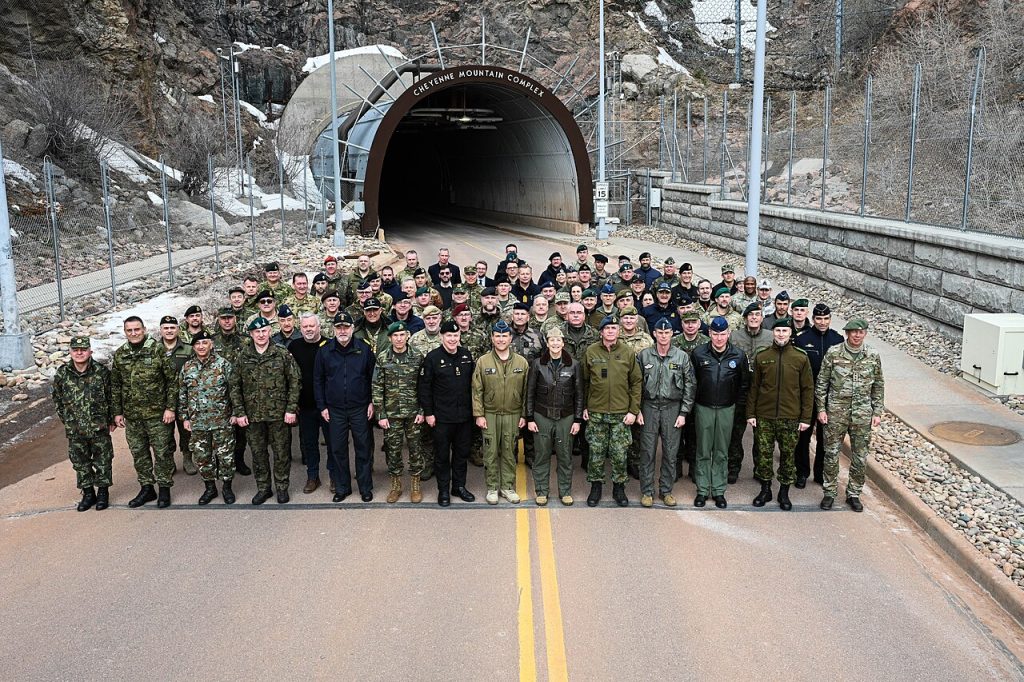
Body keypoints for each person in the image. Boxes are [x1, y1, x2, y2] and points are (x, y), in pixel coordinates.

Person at [816, 319, 885, 512]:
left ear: (865, 334)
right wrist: (821, 409)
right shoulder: (834, 353)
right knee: (831, 454)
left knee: (860, 457)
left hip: (862, 414)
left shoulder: (872, 355)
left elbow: (878, 385)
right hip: (836, 412)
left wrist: (877, 411)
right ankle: (829, 492)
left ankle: (854, 493)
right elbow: (822, 383)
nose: (857, 335)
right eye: (853, 331)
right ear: (847, 333)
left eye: (860, 332)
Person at [747, 319, 814, 511]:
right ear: (773, 333)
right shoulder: (762, 356)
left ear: (790, 333)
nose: (781, 334)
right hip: (765, 416)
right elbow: (754, 388)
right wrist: (751, 413)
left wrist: (805, 418)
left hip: (790, 417)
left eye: (785, 331)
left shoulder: (800, 358)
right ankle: (765, 488)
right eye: (778, 331)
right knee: (764, 455)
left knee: (787, 456)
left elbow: (807, 390)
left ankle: (784, 492)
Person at [233, 317, 302, 505]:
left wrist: (291, 409)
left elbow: (295, 382)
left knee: (281, 453)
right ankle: (263, 488)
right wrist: (239, 412)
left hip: (279, 414)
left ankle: (281, 487)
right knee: (258, 453)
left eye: (264, 331)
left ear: (270, 332)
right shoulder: (243, 356)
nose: (261, 335)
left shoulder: (281, 353)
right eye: (257, 332)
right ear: (251, 334)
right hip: (253, 415)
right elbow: (234, 385)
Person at [111, 316, 177, 508]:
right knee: (139, 453)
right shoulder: (121, 354)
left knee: (162, 453)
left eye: (137, 329)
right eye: (129, 330)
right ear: (125, 332)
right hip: (133, 416)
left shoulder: (158, 350)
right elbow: (116, 385)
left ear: (144, 329)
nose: (133, 333)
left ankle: (164, 489)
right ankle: (147, 488)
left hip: (158, 415)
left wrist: (170, 408)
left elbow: (172, 381)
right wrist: (117, 412)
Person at [314, 312, 377, 503]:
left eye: (346, 327)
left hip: (360, 407)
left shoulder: (363, 349)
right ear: (334, 329)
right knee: (338, 449)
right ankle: (342, 488)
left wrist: (372, 402)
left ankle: (365, 488)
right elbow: (318, 380)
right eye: (339, 327)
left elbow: (373, 377)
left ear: (352, 329)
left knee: (363, 448)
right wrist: (322, 406)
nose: (342, 331)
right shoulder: (324, 350)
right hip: (335, 409)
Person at [581, 316, 642, 507]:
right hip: (596, 412)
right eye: (607, 328)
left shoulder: (627, 352)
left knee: (619, 453)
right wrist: (584, 406)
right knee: (596, 452)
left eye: (614, 328)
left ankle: (619, 488)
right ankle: (596, 487)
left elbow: (636, 382)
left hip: (621, 413)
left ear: (619, 331)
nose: (610, 331)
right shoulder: (591, 351)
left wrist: (633, 410)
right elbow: (584, 381)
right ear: (601, 332)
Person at [636, 318, 696, 508]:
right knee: (647, 452)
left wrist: (683, 413)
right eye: (659, 332)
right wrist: (636, 409)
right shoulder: (644, 356)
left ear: (672, 334)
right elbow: (635, 385)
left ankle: (666, 491)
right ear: (654, 333)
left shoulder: (681, 357)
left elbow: (690, 386)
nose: (663, 336)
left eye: (667, 332)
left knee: (671, 453)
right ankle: (647, 491)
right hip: (649, 407)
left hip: (672, 408)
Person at [691, 317, 750, 508]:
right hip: (703, 407)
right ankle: (702, 490)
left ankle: (718, 490)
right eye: (715, 334)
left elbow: (744, 384)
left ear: (728, 334)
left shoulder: (738, 356)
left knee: (721, 451)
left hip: (727, 408)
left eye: (722, 334)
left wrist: (738, 407)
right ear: (710, 334)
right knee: (703, 450)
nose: (718, 338)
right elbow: (692, 383)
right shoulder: (699, 353)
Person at [52, 336, 115, 512]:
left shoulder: (101, 372)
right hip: (75, 428)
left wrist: (110, 419)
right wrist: (67, 420)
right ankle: (88, 493)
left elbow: (111, 396)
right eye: (75, 350)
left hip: (99, 426)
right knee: (80, 462)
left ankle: (103, 493)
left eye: (83, 349)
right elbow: (57, 399)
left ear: (90, 351)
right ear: (70, 352)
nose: (79, 353)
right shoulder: (62, 373)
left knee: (103, 460)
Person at [418, 320, 477, 507]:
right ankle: (443, 490)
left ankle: (458, 486)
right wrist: (428, 413)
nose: (452, 339)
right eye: (449, 335)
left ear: (459, 336)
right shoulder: (432, 358)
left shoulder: (467, 356)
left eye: (455, 335)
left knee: (461, 454)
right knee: (442, 456)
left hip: (464, 417)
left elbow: (475, 387)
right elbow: (424, 388)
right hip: (441, 417)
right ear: (442, 337)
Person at [473, 320, 530, 505]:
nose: (501, 339)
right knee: (490, 452)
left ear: (510, 338)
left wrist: (524, 415)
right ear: (492, 338)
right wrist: (479, 414)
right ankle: (491, 487)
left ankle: (507, 487)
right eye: (497, 336)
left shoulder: (521, 362)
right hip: (490, 413)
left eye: (504, 336)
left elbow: (526, 391)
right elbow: (477, 390)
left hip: (513, 414)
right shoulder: (483, 361)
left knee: (509, 451)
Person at [179, 331, 239, 505]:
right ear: (193, 346)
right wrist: (185, 417)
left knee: (225, 456)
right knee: (202, 457)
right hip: (198, 422)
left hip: (222, 420)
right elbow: (183, 393)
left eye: (205, 343)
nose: (201, 346)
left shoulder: (223, 365)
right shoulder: (188, 367)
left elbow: (234, 390)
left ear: (211, 344)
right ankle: (210, 488)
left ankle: (227, 487)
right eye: (198, 344)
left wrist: (236, 412)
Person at [526, 327, 582, 506]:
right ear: (547, 343)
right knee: (541, 456)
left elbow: (580, 394)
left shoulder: (574, 365)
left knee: (565, 456)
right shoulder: (537, 364)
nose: (555, 343)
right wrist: (529, 418)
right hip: (542, 415)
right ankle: (541, 491)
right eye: (552, 340)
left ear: (563, 343)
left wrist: (578, 419)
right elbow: (530, 392)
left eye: (558, 340)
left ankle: (565, 491)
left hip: (566, 416)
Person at [372, 321, 427, 504]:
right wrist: (380, 413)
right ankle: (396, 486)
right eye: (395, 335)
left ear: (408, 336)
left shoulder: (417, 357)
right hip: (392, 413)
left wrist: (423, 410)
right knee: (393, 450)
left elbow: (424, 386)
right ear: (390, 338)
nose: (399, 339)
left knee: (416, 449)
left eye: (402, 335)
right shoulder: (383, 358)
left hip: (413, 413)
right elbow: (377, 386)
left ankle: (415, 485)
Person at [795, 303, 845, 486]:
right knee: (803, 437)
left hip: (830, 397)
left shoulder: (838, 340)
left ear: (830, 319)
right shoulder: (802, 339)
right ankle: (801, 472)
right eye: (819, 319)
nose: (822, 322)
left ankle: (819, 473)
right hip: (808, 396)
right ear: (813, 319)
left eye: (826, 319)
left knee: (825, 437)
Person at [289, 312, 335, 494]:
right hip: (305, 406)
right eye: (305, 326)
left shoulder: (329, 345)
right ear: (300, 328)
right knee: (309, 444)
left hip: (327, 406)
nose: (308, 329)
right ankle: (312, 476)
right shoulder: (294, 346)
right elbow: (290, 377)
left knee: (333, 443)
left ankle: (334, 476)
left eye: (311, 326)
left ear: (319, 326)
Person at [728, 302, 772, 483]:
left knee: (762, 437)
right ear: (745, 318)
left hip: (762, 394)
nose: (754, 317)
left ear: (762, 318)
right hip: (740, 391)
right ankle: (733, 468)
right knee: (735, 434)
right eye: (750, 315)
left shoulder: (770, 337)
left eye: (757, 314)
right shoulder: (735, 337)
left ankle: (761, 470)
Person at [212, 308, 252, 476]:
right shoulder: (212, 341)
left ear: (235, 319)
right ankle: (222, 460)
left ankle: (239, 459)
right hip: (217, 393)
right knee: (219, 429)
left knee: (240, 431)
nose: (227, 321)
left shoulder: (245, 341)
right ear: (218, 320)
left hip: (241, 391)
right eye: (224, 318)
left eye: (230, 318)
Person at [157, 315, 196, 475]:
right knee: (164, 434)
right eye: (166, 328)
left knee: (186, 432)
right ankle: (169, 461)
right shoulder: (154, 350)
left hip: (183, 398)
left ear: (178, 329)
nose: (169, 331)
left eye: (172, 327)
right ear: (161, 330)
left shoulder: (188, 349)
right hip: (161, 400)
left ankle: (187, 458)